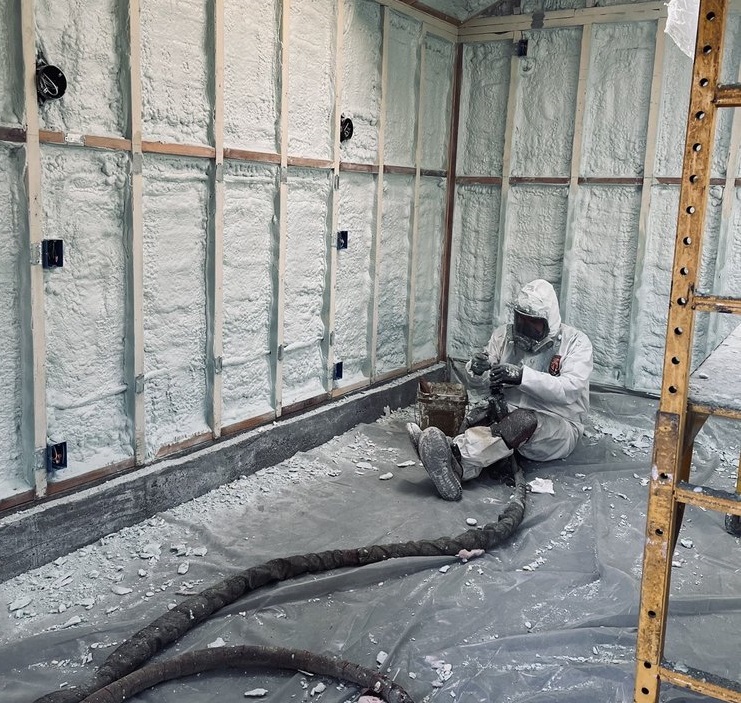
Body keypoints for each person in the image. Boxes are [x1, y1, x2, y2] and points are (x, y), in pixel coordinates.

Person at [407, 279, 593, 501]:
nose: (525, 328)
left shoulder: (575, 343)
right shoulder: (504, 336)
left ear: (549, 322)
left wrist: (521, 376)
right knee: (479, 417)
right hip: (508, 415)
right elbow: (479, 382)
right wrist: (477, 370)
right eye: (520, 320)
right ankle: (452, 461)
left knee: (521, 421)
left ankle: (456, 459)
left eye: (533, 323)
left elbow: (569, 389)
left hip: (559, 426)